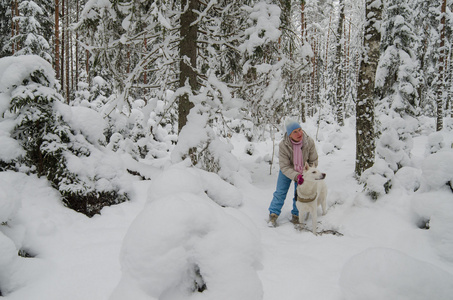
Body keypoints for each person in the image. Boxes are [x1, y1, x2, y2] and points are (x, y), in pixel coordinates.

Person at [268, 119, 319, 227]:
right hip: (287, 171)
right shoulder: (283, 145)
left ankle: (296, 215)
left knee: (299, 194)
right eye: (295, 132)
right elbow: (284, 166)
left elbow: (313, 160)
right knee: (280, 192)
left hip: (304, 171)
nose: (299, 133)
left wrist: (306, 173)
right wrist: (296, 175)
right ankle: (273, 214)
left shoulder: (309, 142)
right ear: (289, 134)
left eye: (300, 130)